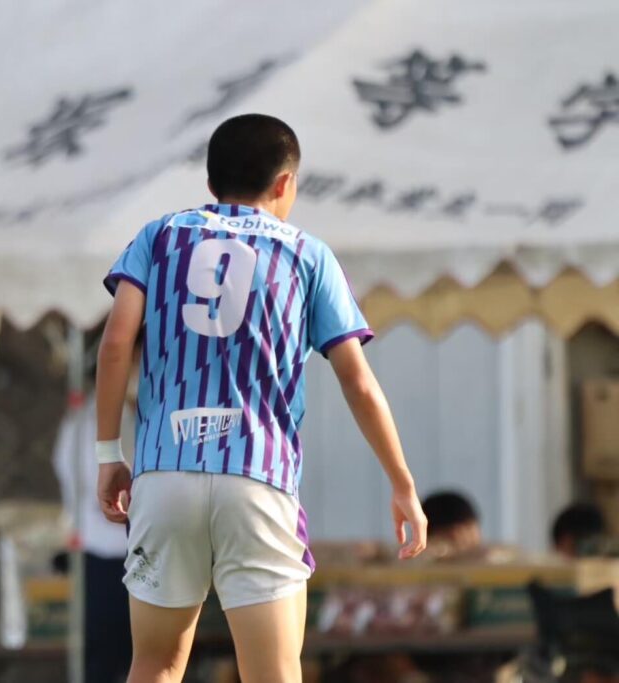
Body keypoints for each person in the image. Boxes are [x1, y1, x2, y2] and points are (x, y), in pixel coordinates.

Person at [94, 113, 428, 683]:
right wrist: (402, 483)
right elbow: (357, 381)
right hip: (257, 477)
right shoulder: (308, 254)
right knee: (272, 671)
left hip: (165, 473)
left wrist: (108, 455)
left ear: (210, 184)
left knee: (155, 662)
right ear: (285, 183)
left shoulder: (159, 236)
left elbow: (116, 343)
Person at [53, 358, 138, 683]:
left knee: (136, 655)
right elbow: (90, 487)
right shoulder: (89, 422)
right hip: (105, 552)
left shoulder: (137, 413)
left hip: (139, 552)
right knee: (106, 658)